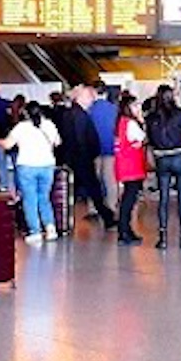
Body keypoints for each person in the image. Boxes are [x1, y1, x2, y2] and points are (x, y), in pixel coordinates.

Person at [0, 101, 61, 245]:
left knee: (30, 199)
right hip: (47, 165)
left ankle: (35, 231)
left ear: (25, 113)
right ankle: (50, 228)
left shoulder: (21, 127)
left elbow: (8, 144)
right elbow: (57, 142)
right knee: (44, 197)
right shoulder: (49, 125)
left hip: (27, 166)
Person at [146, 85, 181, 249]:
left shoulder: (152, 117)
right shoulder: (178, 114)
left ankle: (163, 237)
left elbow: (150, 139)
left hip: (161, 158)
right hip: (178, 156)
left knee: (164, 198)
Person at [64, 86, 117, 231]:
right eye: (89, 96)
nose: (92, 99)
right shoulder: (80, 115)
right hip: (82, 159)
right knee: (94, 189)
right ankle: (108, 218)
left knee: (82, 190)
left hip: (76, 158)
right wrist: (88, 155)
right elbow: (81, 138)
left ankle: (106, 217)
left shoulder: (72, 113)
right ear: (80, 98)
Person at [114, 92, 148, 246]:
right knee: (129, 199)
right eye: (135, 105)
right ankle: (124, 231)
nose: (137, 108)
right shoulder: (131, 123)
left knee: (127, 198)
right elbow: (143, 138)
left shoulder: (120, 122)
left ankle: (125, 230)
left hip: (123, 164)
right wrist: (141, 120)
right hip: (132, 166)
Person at [89, 82, 120, 210]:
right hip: (110, 148)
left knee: (95, 180)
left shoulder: (89, 109)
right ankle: (112, 205)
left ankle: (94, 207)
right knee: (110, 180)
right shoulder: (114, 109)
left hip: (94, 149)